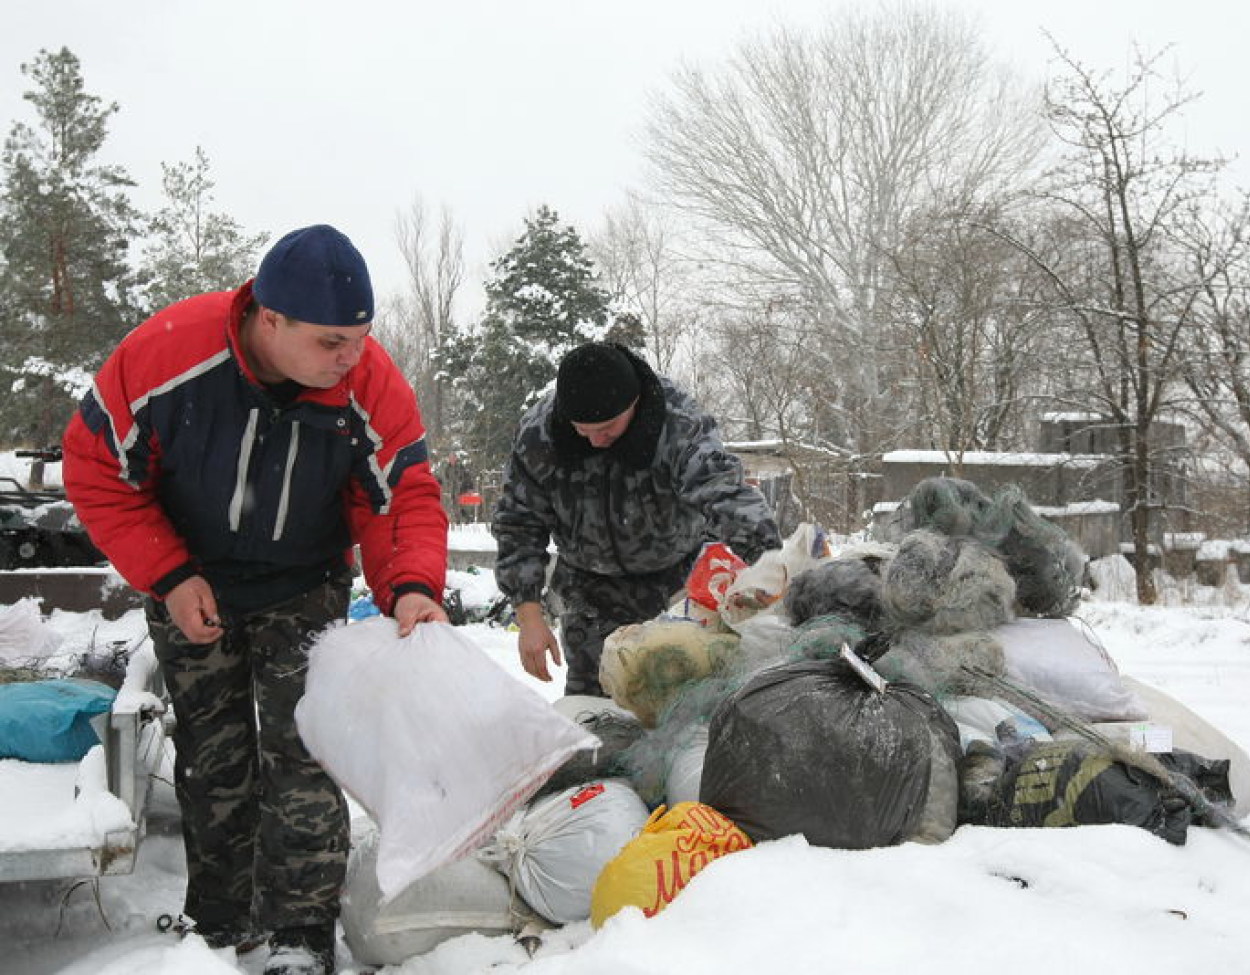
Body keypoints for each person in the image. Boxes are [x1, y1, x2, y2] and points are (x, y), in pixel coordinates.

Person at [62, 224, 449, 975]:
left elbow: (403, 495)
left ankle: (300, 931)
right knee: (214, 757)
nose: (352, 357)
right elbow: (95, 468)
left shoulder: (366, 383)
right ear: (270, 320)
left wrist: (411, 587)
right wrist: (168, 575)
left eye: (361, 338)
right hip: (191, 578)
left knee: (304, 753)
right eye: (333, 342)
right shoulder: (167, 355)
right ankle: (220, 917)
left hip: (304, 583)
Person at [492, 341, 781, 696]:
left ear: (635, 404)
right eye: (583, 430)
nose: (597, 441)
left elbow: (725, 493)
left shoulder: (679, 424)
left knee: (685, 707)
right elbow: (518, 523)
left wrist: (770, 568)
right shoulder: (540, 435)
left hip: (679, 587)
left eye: (608, 427)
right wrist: (529, 616)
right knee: (598, 713)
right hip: (589, 593)